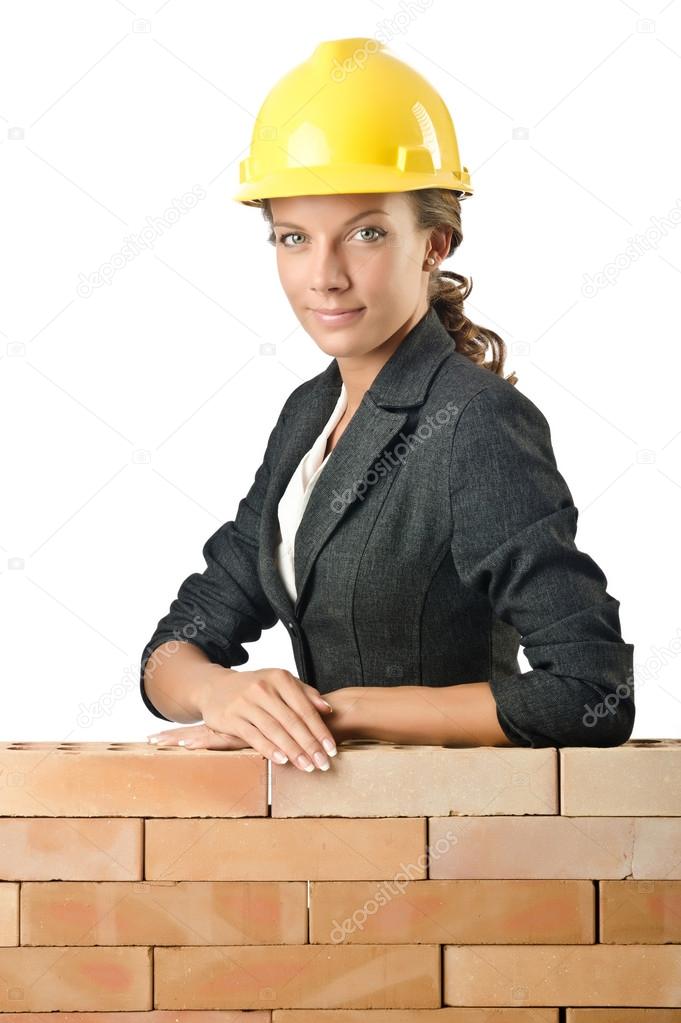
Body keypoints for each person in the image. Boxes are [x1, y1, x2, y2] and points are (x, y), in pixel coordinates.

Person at [140, 38, 635, 771]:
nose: (324, 276)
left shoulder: (474, 420)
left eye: (365, 234)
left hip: (455, 816)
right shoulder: (308, 414)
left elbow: (592, 690)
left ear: (434, 244)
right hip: (332, 817)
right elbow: (174, 646)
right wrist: (222, 693)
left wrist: (333, 713)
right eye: (293, 238)